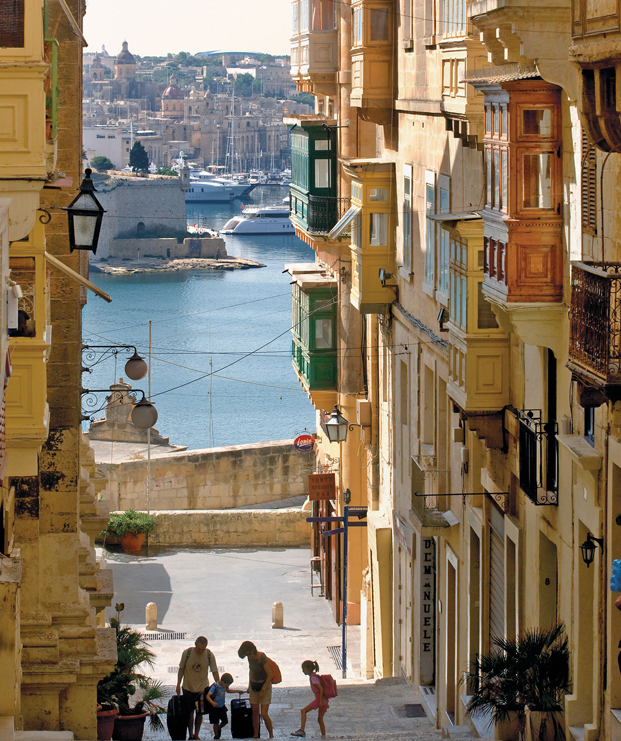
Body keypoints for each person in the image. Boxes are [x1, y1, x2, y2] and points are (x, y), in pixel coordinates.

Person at [176, 636, 220, 739]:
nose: (200, 651)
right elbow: (181, 669)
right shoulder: (187, 653)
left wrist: (218, 686)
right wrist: (178, 684)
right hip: (188, 687)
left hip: (202, 688)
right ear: (195, 644)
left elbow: (214, 671)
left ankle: (197, 734)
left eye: (202, 649)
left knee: (199, 712)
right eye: (199, 648)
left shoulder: (209, 655)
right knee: (189, 712)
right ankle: (190, 734)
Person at [238, 641, 274, 739]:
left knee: (264, 713)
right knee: (254, 712)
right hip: (254, 686)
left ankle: (271, 734)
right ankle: (255, 734)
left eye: (248, 653)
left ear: (252, 650)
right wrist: (249, 685)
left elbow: (270, 675)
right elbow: (251, 671)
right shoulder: (250, 657)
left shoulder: (261, 657)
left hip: (264, 686)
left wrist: (263, 690)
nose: (247, 656)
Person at [291, 660, 328, 738]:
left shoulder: (313, 678)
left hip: (320, 699)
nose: (302, 671)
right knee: (320, 720)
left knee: (303, 711)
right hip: (324, 700)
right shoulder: (315, 676)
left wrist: (320, 701)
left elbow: (320, 689)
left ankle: (302, 730)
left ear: (307, 669)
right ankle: (324, 736)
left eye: (303, 669)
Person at [205, 672, 243, 740]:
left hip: (221, 706)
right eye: (227, 684)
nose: (227, 686)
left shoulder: (225, 686)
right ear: (222, 681)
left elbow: (228, 691)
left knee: (225, 721)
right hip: (214, 708)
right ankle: (216, 736)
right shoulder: (215, 686)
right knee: (215, 722)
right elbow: (207, 696)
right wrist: (212, 702)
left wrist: (238, 691)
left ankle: (219, 728)